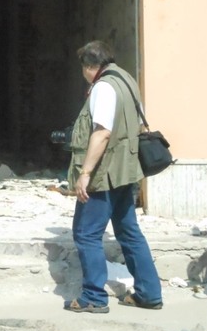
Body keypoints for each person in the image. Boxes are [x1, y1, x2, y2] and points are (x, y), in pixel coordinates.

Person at [64, 40, 162, 314]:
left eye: (84, 68)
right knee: (129, 232)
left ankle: (93, 297)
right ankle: (149, 294)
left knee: (86, 233)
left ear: (90, 66)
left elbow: (102, 132)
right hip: (126, 171)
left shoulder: (104, 87)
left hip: (104, 173)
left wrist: (85, 173)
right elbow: (139, 124)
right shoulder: (127, 80)